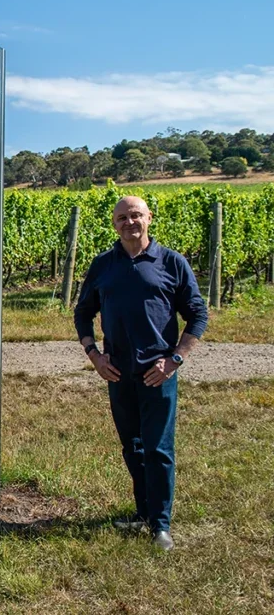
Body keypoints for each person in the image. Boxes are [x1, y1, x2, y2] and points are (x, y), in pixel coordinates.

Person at [74, 195, 208, 552]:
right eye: (122, 218)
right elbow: (82, 312)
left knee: (158, 449)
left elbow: (198, 315)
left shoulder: (171, 263)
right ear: (114, 224)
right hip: (117, 372)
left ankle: (161, 525)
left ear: (149, 218)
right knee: (132, 447)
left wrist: (175, 360)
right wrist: (94, 355)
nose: (129, 223)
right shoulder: (103, 264)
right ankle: (144, 513)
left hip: (158, 373)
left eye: (136, 215)